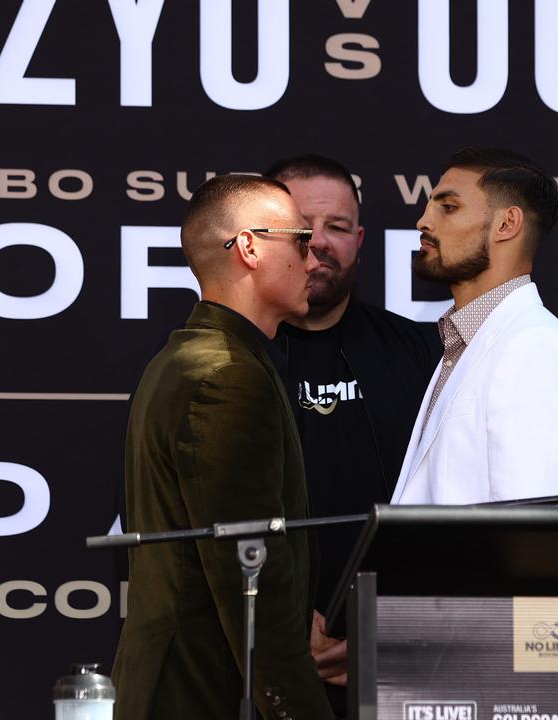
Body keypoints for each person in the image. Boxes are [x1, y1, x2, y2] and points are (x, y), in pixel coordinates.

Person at [113, 174, 334, 720]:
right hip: (202, 696)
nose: (315, 258)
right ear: (251, 247)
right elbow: (251, 581)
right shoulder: (227, 376)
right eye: (301, 240)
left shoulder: (190, 358)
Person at [263, 155, 440, 701]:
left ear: (359, 240)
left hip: (395, 663)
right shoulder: (219, 359)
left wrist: (385, 627)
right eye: (301, 226)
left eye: (337, 228)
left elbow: (448, 510)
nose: (319, 242)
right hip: (250, 664)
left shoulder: (422, 354)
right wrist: (282, 623)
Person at [390, 147, 558, 505]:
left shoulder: (534, 347)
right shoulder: (467, 343)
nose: (423, 221)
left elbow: (535, 533)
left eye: (448, 207)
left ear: (506, 224)